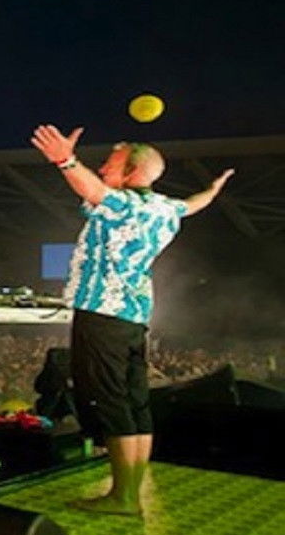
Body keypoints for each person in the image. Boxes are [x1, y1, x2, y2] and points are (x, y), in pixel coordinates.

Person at [30, 125, 233, 515]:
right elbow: (194, 203)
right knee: (135, 402)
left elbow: (91, 189)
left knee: (109, 400)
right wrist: (213, 189)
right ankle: (131, 492)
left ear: (134, 173)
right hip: (134, 316)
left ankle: (122, 497)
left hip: (102, 313)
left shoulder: (126, 205)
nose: (103, 167)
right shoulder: (165, 207)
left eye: (112, 163)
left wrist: (65, 160)